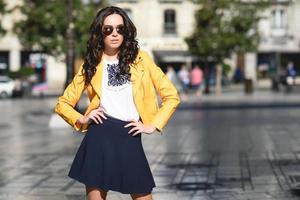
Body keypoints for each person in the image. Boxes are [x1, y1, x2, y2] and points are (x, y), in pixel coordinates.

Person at [55, 6, 180, 200]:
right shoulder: (90, 65)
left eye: (120, 29)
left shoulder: (141, 60)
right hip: (99, 136)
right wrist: (83, 118)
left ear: (126, 31)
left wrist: (153, 125)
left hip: (129, 136)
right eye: (108, 29)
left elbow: (171, 95)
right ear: (99, 33)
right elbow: (63, 104)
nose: (115, 34)